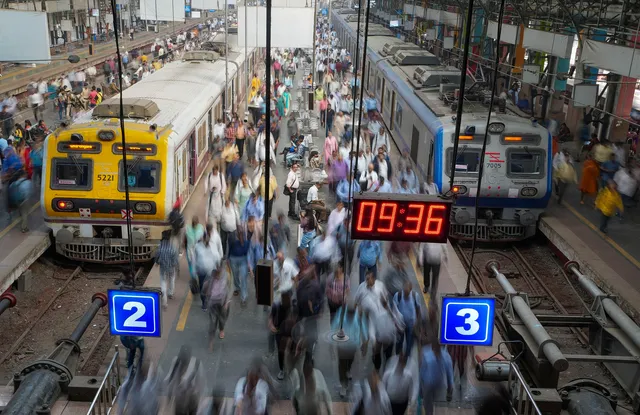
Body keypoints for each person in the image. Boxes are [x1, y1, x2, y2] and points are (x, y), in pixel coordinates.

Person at [419, 338, 454, 415]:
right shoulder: (426, 354)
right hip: (427, 385)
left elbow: (449, 374)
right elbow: (422, 371)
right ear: (432, 348)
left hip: (439, 386)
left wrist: (450, 389)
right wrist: (420, 389)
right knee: (428, 407)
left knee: (439, 407)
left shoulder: (446, 357)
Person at [195, 226, 223, 311]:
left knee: (209, 287)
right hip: (201, 271)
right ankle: (204, 302)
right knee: (202, 288)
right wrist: (193, 271)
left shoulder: (212, 246)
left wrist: (218, 267)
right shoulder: (198, 246)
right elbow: (194, 258)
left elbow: (217, 257)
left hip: (210, 271)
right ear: (203, 238)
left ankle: (208, 302)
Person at [269, 290, 295, 380]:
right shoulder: (276, 305)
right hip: (280, 331)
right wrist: (271, 325)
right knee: (281, 351)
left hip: (291, 332)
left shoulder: (294, 306)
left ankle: (291, 368)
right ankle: (282, 369)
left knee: (292, 350)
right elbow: (271, 317)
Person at [203, 267, 230, 351]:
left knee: (222, 319)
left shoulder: (226, 276)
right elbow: (204, 290)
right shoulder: (210, 279)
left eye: (219, 275)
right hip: (213, 304)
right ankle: (211, 342)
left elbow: (229, 289)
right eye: (216, 275)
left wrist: (226, 303)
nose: (217, 277)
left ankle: (221, 329)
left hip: (222, 303)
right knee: (212, 323)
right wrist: (206, 291)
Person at [393, 280, 421, 356]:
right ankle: (398, 356)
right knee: (399, 343)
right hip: (400, 325)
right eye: (405, 291)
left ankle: (407, 357)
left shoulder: (415, 296)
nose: (406, 294)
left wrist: (417, 323)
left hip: (411, 325)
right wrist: (396, 323)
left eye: (407, 292)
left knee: (409, 344)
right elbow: (394, 310)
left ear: (411, 290)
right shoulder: (398, 295)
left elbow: (418, 310)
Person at [229, 221, 253, 305]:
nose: (240, 236)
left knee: (243, 277)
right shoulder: (232, 240)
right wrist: (228, 259)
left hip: (243, 259)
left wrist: (250, 265)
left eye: (241, 234)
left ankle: (244, 297)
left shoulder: (247, 242)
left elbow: (249, 253)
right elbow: (229, 249)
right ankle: (237, 287)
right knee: (235, 275)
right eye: (239, 234)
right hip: (234, 259)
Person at [155, 230, 179, 309]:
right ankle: (170, 293)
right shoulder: (173, 247)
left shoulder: (160, 246)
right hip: (171, 267)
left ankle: (164, 301)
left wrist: (157, 262)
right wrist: (175, 266)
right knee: (172, 279)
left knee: (163, 283)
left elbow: (157, 256)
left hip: (163, 268)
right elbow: (175, 260)